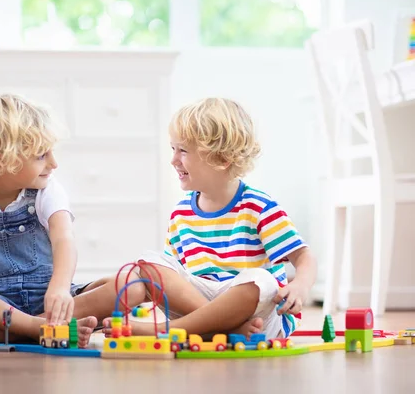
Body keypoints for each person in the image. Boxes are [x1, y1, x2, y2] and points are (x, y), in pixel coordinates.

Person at [0, 94, 144, 347]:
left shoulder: (47, 190)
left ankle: (17, 330)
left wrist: (60, 289)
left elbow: (64, 239)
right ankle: (36, 327)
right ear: (2, 158)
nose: (54, 163)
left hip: (47, 298)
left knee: (135, 285)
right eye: (41, 155)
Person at [104, 98, 317, 339]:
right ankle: (220, 329)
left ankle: (168, 331)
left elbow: (303, 256)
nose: (173, 160)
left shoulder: (259, 206)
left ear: (221, 158)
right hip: (199, 306)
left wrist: (299, 286)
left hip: (256, 316)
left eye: (183, 150)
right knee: (149, 263)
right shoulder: (181, 212)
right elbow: (175, 278)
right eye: (173, 149)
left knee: (262, 281)